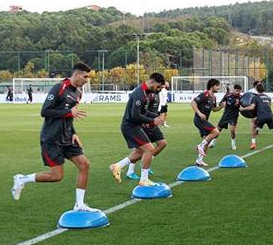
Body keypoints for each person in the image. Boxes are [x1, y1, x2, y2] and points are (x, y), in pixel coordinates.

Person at [11, 63, 99, 212]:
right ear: (76, 74)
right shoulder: (59, 88)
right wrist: (68, 113)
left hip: (67, 137)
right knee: (57, 176)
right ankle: (22, 179)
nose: (86, 80)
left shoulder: (78, 93)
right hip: (52, 138)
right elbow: (45, 111)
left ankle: (79, 205)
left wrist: (74, 133)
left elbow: (70, 117)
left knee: (85, 165)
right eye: (85, 76)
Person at [110, 73, 166, 186]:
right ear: (152, 82)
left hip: (134, 126)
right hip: (130, 126)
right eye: (158, 86)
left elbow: (143, 112)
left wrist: (156, 117)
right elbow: (134, 115)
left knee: (141, 152)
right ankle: (144, 179)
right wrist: (152, 121)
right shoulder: (140, 94)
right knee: (149, 150)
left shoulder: (145, 93)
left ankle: (118, 166)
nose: (158, 89)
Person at [240, 83, 273, 152]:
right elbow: (268, 106)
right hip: (270, 116)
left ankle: (253, 143)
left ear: (256, 89)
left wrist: (242, 109)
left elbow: (252, 107)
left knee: (254, 127)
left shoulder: (255, 97)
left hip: (261, 117)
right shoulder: (268, 97)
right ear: (264, 89)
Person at [191, 78, 224, 166]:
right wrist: (199, 113)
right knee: (216, 132)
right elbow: (193, 103)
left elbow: (214, 109)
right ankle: (200, 146)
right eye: (217, 85)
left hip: (204, 121)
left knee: (208, 140)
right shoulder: (204, 94)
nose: (219, 87)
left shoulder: (213, 97)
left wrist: (221, 107)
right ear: (212, 86)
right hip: (199, 120)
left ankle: (199, 160)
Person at [209, 84, 242, 151]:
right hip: (226, 115)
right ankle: (213, 142)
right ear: (234, 90)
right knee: (218, 130)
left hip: (234, 116)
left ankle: (233, 143)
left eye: (239, 91)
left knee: (232, 130)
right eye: (237, 90)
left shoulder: (241, 97)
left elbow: (243, 106)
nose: (238, 92)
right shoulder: (227, 95)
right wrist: (222, 104)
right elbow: (220, 103)